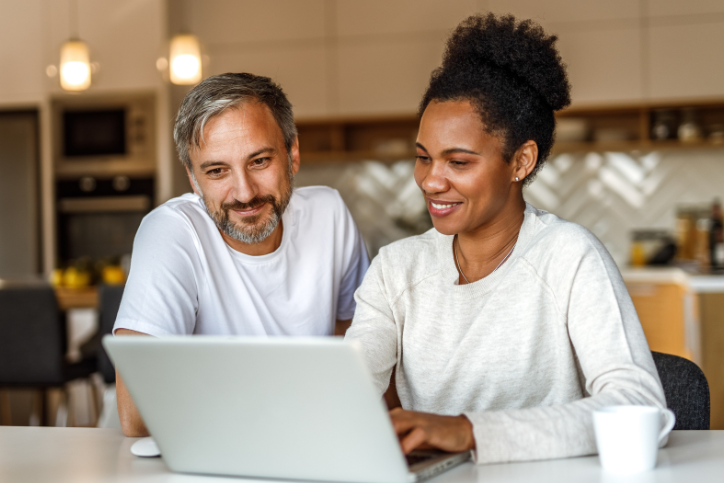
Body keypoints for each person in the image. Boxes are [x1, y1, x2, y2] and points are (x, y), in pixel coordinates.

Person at [345, 14, 666, 465]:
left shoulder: (568, 256)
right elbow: (348, 390)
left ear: (521, 161)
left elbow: (640, 406)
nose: (431, 181)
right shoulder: (396, 269)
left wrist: (469, 431)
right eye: (423, 158)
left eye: (458, 162)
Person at [114, 73, 370, 437]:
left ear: (292, 154)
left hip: (308, 443)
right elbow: (137, 415)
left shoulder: (329, 214)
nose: (244, 192)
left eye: (260, 161)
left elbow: (362, 351)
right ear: (193, 179)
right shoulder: (170, 232)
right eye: (217, 171)